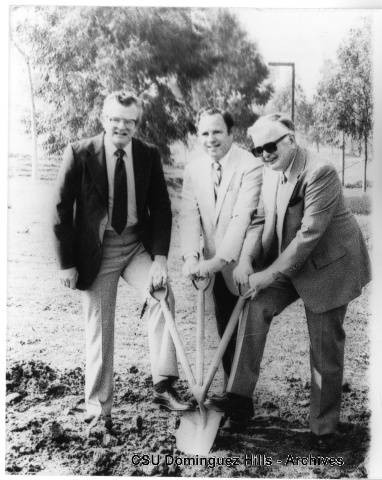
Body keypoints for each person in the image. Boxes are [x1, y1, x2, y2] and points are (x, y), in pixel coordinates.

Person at [211, 113, 371, 449]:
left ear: (291, 139)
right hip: (290, 264)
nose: (265, 154)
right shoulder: (271, 173)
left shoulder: (320, 172)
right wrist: (247, 260)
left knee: (324, 347)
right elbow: (261, 220)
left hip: (328, 267)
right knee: (255, 305)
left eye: (270, 146)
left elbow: (308, 237)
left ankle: (324, 430)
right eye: (258, 150)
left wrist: (267, 274)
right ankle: (239, 396)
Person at [52, 91, 190, 432]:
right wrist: (66, 263)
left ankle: (163, 385)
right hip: (96, 252)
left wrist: (159, 259)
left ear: (136, 124)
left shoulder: (147, 155)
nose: (121, 126)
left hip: (134, 246)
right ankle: (99, 412)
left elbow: (160, 208)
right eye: (115, 119)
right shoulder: (79, 152)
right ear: (104, 119)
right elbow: (59, 210)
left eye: (129, 121)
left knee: (162, 296)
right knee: (100, 327)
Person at [180, 107, 264, 423]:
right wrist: (191, 257)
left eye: (217, 131)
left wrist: (217, 261)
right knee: (225, 326)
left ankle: (241, 401)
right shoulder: (194, 168)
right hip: (214, 264)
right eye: (204, 133)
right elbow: (189, 216)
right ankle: (236, 404)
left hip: (245, 258)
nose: (211, 138)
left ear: (231, 133)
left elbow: (243, 217)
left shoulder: (250, 166)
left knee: (245, 331)